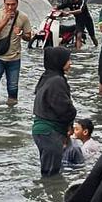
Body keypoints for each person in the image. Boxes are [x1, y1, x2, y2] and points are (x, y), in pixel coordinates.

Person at [31, 46, 79, 177]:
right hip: (49, 132)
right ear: (59, 61)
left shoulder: (47, 77)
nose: (70, 63)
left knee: (47, 169)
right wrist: (72, 116)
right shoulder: (56, 81)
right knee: (51, 174)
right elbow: (64, 109)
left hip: (42, 131)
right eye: (68, 60)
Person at [0, 0, 33, 105]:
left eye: (13, 4)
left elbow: (29, 37)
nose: (10, 7)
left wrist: (21, 33)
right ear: (4, 3)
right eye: (7, 4)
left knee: (13, 89)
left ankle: (11, 117)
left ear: (17, 3)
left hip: (14, 58)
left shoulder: (23, 17)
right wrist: (5, 20)